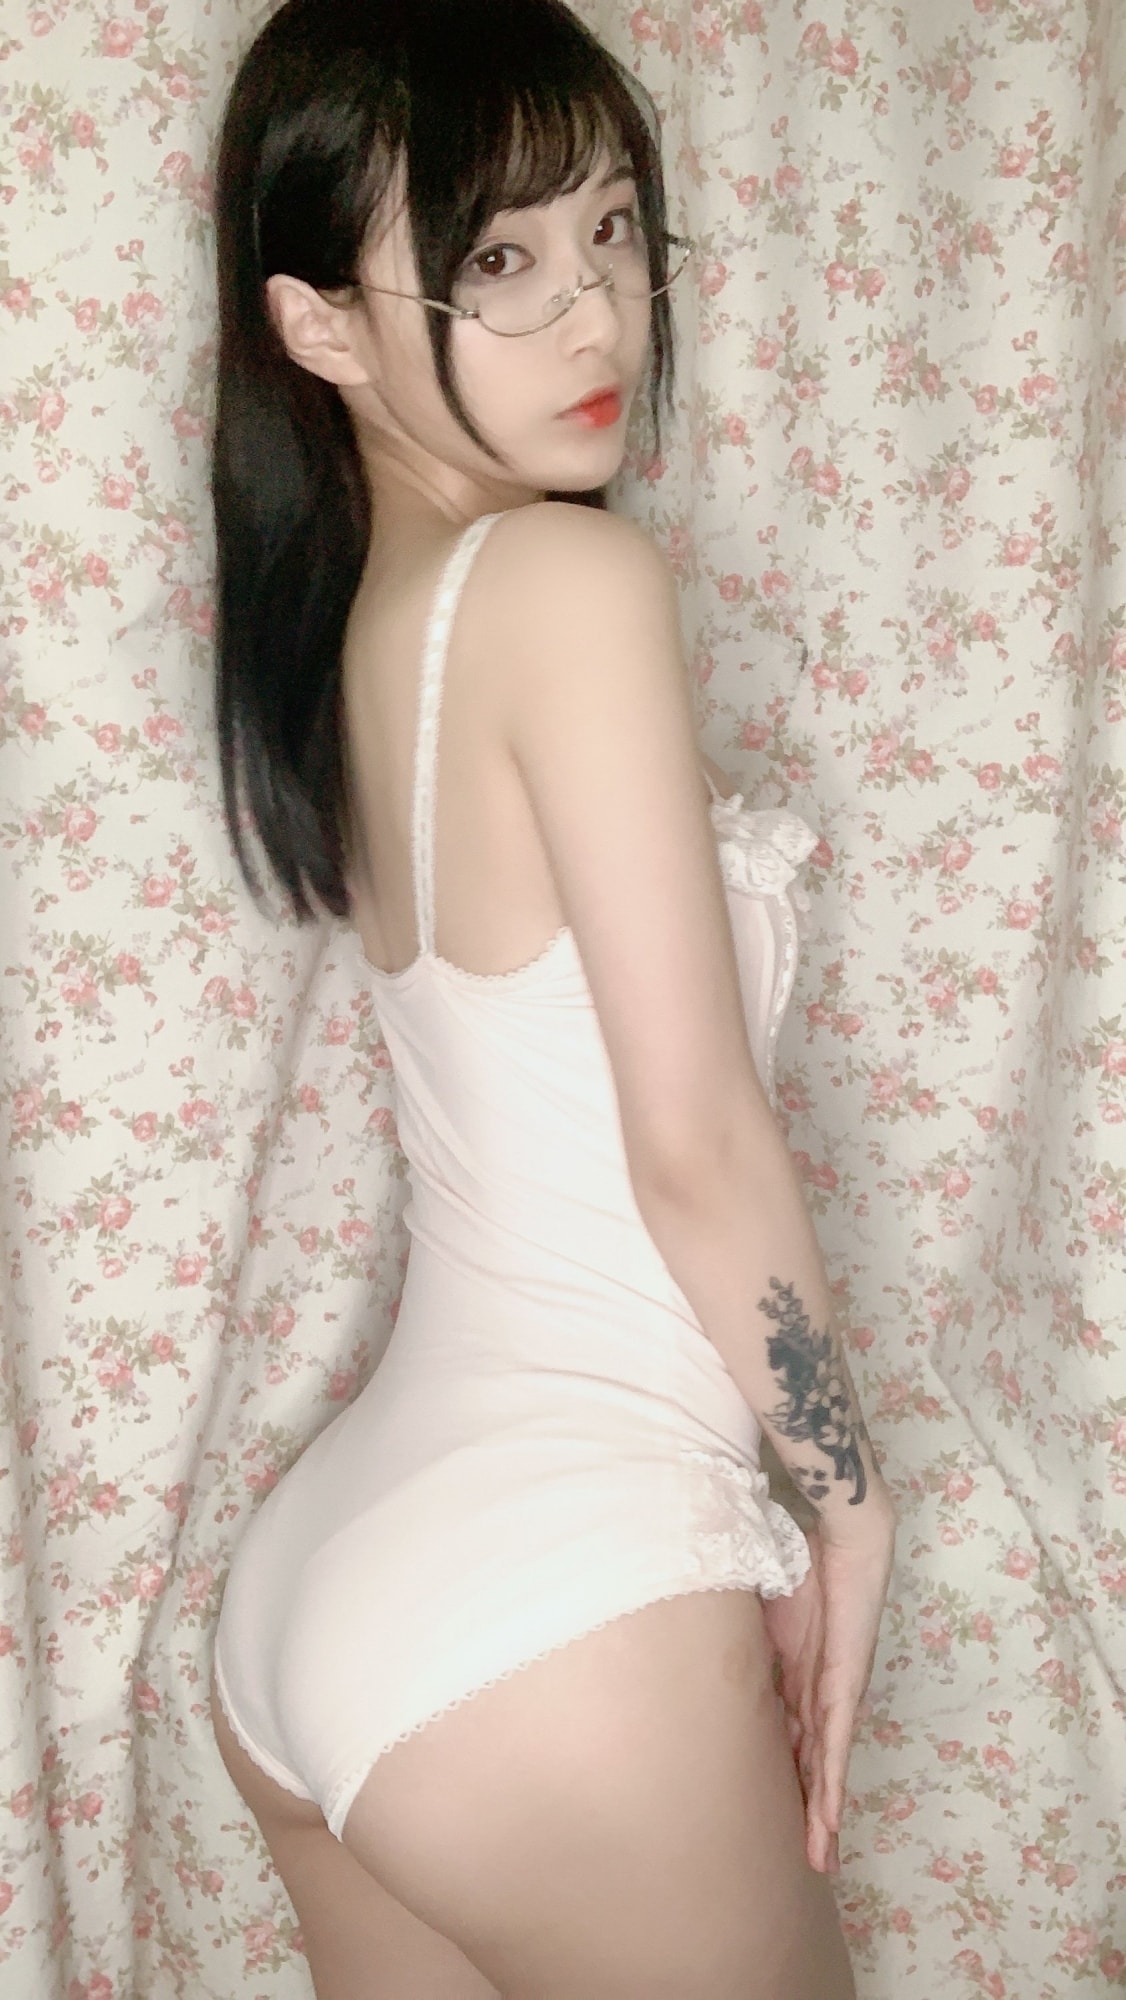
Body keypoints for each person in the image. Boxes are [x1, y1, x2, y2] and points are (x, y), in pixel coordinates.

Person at [206, 1, 897, 1993]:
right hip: (549, 1602)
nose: (592, 311)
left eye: (608, 231)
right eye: (496, 259)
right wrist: (848, 1508)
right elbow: (692, 1143)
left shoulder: (380, 629)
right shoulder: (565, 589)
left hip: (335, 1594)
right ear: (320, 327)